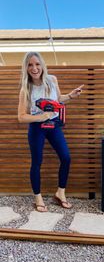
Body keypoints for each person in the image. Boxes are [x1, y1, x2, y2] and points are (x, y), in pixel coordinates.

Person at [18, 52, 84, 212]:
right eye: (30, 65)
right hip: (36, 128)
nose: (34, 68)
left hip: (54, 124)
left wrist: (70, 96)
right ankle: (38, 197)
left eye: (37, 64)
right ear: (26, 68)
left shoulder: (52, 80)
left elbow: (57, 100)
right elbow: (21, 117)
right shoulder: (25, 89)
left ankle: (60, 193)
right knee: (37, 162)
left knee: (66, 157)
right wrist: (40, 117)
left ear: (42, 65)